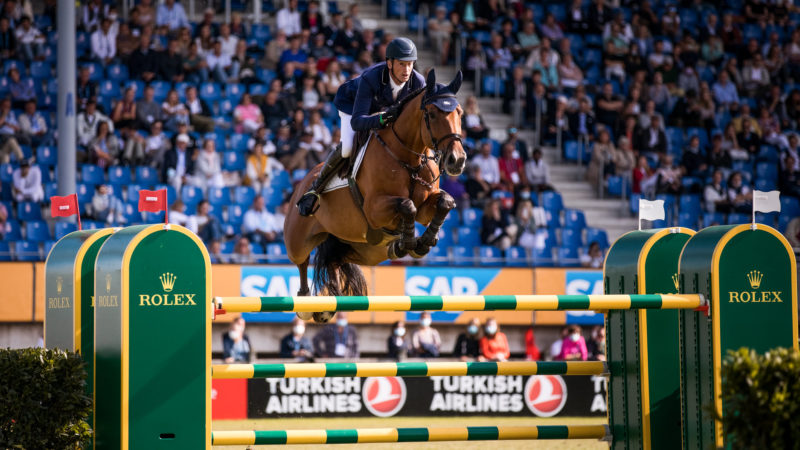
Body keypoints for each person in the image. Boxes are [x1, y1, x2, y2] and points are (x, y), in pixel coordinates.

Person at [297, 37, 426, 216]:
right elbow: (358, 122)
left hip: (383, 111)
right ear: (389, 63)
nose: (407, 70)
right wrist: (381, 120)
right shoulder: (371, 77)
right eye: (402, 64)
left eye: (410, 64)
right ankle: (314, 190)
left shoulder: (418, 83)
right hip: (353, 106)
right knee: (348, 148)